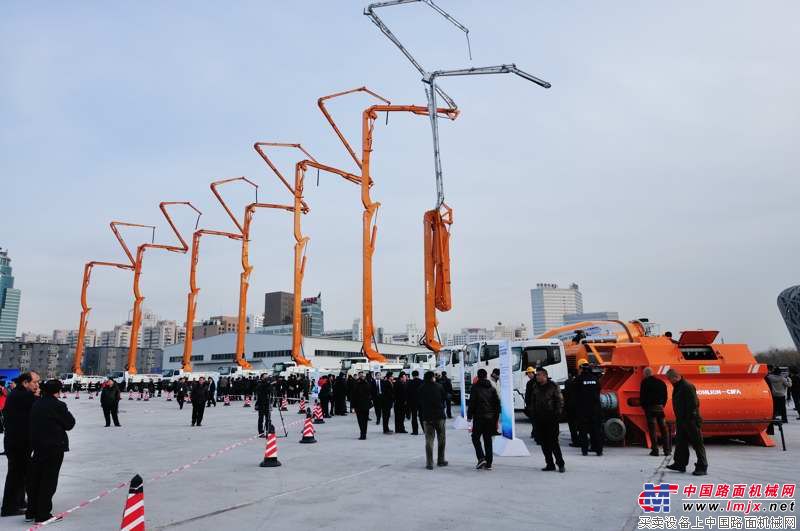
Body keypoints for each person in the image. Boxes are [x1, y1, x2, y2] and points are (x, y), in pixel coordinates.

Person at [27, 379, 75, 524]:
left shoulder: (37, 403)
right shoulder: (58, 405)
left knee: (36, 479)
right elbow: (69, 423)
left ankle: (32, 510)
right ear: (57, 391)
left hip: (38, 446)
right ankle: (43, 514)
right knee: (49, 481)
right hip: (54, 446)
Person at [1, 371, 40, 517]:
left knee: (21, 474)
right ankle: (9, 507)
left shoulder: (18, 393)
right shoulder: (23, 395)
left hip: (18, 441)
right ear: (25, 383)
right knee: (16, 475)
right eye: (35, 382)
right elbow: (38, 406)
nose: (37, 385)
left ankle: (18, 501)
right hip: (18, 442)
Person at [665, 369, 708, 476]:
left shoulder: (687, 387)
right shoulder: (678, 387)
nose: (670, 381)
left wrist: (690, 419)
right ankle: (680, 464)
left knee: (697, 443)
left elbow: (694, 404)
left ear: (675, 377)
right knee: (681, 443)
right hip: (682, 420)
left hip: (691, 420)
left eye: (670, 379)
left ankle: (702, 466)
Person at [531, 367, 565, 473]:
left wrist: (556, 415)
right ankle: (549, 464)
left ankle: (560, 464)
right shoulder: (535, 386)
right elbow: (533, 401)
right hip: (540, 419)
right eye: (536, 375)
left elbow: (559, 401)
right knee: (544, 443)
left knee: (553, 442)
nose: (537, 376)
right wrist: (533, 413)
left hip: (551, 418)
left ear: (544, 376)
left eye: (539, 375)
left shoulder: (553, 386)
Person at [467, 368, 500, 470]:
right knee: (488, 439)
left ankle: (481, 458)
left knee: (475, 437)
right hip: (490, 418)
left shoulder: (474, 388)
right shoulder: (492, 388)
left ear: (478, 376)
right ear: (486, 376)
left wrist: (469, 416)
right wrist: (495, 417)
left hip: (479, 417)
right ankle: (489, 463)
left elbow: (472, 403)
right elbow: (497, 404)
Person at [419, 371, 448, 470]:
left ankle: (429, 463)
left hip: (427, 417)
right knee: (441, 438)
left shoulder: (421, 388)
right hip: (439, 416)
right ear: (432, 378)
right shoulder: (439, 386)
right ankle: (441, 460)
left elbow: (419, 402)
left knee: (429, 440)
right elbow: (444, 398)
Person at [640, 367, 669, 456]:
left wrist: (644, 407)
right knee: (663, 429)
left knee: (652, 430)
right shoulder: (661, 382)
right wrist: (662, 405)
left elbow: (643, 396)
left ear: (645, 374)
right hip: (660, 408)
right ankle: (666, 450)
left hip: (650, 409)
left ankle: (655, 450)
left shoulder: (644, 382)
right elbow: (665, 396)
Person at [576, 360, 603, 456]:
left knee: (583, 430)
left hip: (583, 408)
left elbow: (576, 394)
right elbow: (599, 390)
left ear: (581, 369)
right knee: (596, 429)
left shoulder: (579, 379)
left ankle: (584, 450)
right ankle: (598, 450)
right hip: (595, 408)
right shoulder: (595, 379)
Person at [765, 366, 792, 434]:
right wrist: (789, 379)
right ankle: (784, 419)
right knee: (783, 408)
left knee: (773, 408)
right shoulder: (782, 379)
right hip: (781, 395)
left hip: (773, 395)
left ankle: (773, 419)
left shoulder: (769, 377)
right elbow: (789, 385)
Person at [351, 372, 372, 440]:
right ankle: (364, 434)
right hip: (365, 406)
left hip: (359, 406)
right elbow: (370, 395)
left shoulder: (356, 385)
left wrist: (353, 406)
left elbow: (353, 396)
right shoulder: (367, 384)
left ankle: (362, 434)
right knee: (365, 421)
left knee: (360, 421)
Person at [562, 371, 580, 447]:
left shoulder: (567, 384)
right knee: (580, 425)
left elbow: (565, 396)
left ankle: (575, 441)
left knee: (572, 426)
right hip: (578, 407)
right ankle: (581, 440)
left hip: (570, 408)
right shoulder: (579, 382)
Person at [523, 367, 538, 441]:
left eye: (529, 373)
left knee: (534, 420)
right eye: (527, 373)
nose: (528, 375)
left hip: (533, 404)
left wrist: (527, 403)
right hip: (534, 404)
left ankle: (535, 434)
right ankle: (534, 432)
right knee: (535, 420)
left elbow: (528, 394)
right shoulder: (534, 381)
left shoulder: (531, 382)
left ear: (532, 373)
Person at [407, 370, 422, 435]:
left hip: (413, 402)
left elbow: (408, 393)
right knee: (422, 416)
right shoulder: (422, 381)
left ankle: (415, 431)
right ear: (418, 375)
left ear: (412, 375)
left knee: (414, 417)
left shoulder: (410, 382)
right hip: (421, 402)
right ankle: (425, 430)